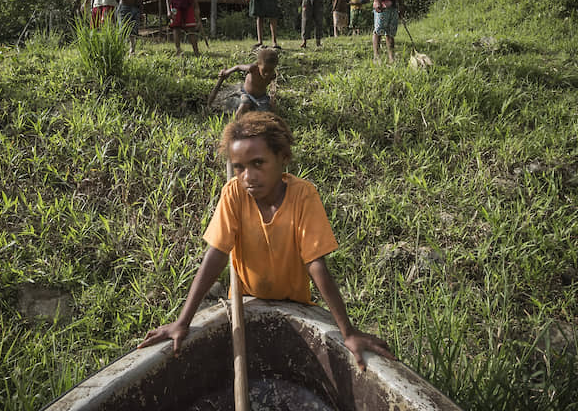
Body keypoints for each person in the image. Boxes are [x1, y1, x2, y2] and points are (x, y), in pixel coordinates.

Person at [137, 111, 397, 370]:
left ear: (283, 158)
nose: (248, 176)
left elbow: (316, 263)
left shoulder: (303, 196)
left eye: (258, 163)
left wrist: (347, 332)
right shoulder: (234, 194)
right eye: (239, 167)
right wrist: (182, 322)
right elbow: (216, 254)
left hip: (294, 302)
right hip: (246, 299)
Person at [218, 47, 279, 118]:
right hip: (247, 94)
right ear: (258, 65)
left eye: (271, 70)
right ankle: (235, 122)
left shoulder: (272, 75)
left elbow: (272, 88)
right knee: (244, 104)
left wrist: (272, 101)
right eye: (264, 70)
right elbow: (238, 67)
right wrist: (227, 72)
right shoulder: (252, 68)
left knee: (265, 112)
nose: (267, 73)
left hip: (261, 97)